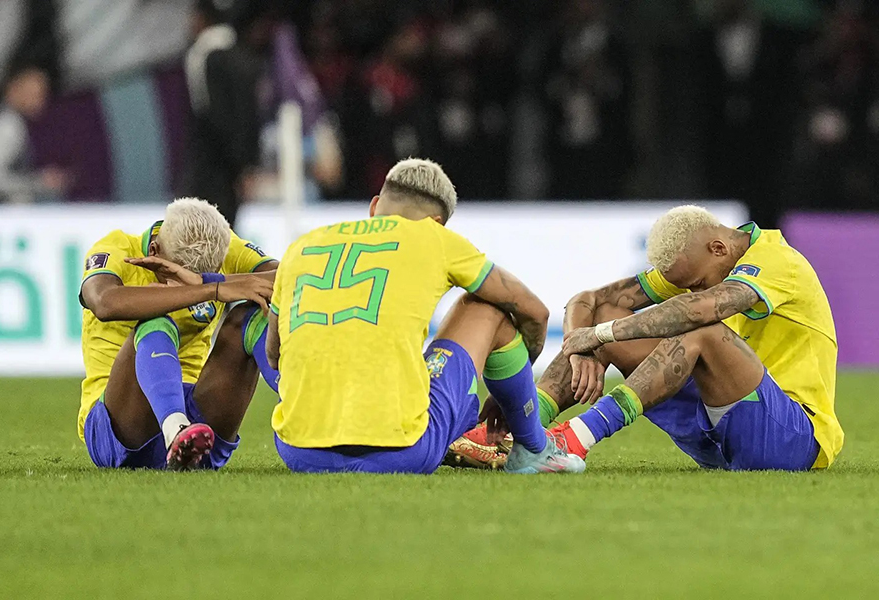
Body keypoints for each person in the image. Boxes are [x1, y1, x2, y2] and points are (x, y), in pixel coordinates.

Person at [454, 205, 842, 472]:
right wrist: (582, 345)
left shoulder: (780, 262)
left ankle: (575, 438)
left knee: (700, 327)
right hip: (718, 433)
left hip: (791, 438)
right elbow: (589, 300)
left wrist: (602, 334)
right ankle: (515, 429)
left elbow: (705, 308)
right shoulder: (707, 259)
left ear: (720, 249)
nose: (692, 289)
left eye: (697, 282)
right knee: (607, 316)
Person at [263, 158, 584, 474]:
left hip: (299, 452)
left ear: (375, 206)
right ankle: (533, 448)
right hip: (404, 452)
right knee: (488, 307)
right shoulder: (433, 238)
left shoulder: (301, 246)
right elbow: (535, 312)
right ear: (436, 222)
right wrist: (513, 390)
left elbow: (274, 355)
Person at [79, 197, 279, 470]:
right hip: (118, 429)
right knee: (155, 315)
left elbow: (290, 276)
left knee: (252, 312)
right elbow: (103, 302)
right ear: (154, 249)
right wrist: (210, 289)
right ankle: (174, 426)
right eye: (173, 274)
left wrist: (212, 280)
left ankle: (301, 400)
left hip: (200, 433)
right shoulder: (117, 249)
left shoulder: (225, 247)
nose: (182, 288)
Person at [181, 0, 261, 226]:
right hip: (228, 166)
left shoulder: (209, 56)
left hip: (215, 169)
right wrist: (246, 163)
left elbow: (222, 117)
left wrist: (239, 165)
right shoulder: (239, 53)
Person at [0, 62, 67, 204]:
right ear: (13, 90)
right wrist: (39, 182)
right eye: (34, 94)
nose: (40, 100)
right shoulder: (7, 125)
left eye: (42, 94)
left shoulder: (10, 121)